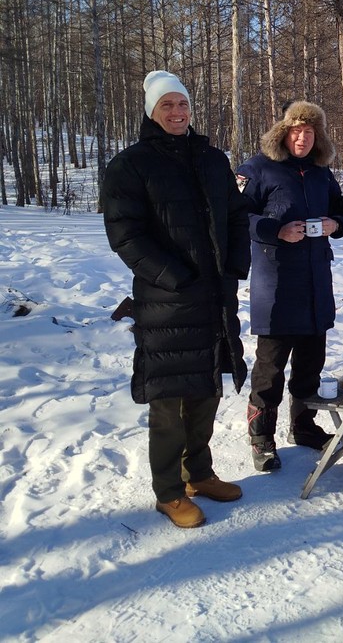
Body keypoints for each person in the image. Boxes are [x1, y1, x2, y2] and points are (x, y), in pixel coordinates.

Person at [102, 70, 251, 529]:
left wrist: (234, 269)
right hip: (167, 301)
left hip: (213, 298)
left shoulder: (211, 159)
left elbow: (237, 217)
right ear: (151, 111)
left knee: (206, 388)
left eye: (182, 104)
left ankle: (198, 474)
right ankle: (168, 492)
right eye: (166, 105)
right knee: (168, 401)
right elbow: (125, 234)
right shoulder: (131, 165)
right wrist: (173, 276)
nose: (176, 112)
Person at [236, 101, 343, 472]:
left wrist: (337, 223)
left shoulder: (321, 172)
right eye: (296, 130)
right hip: (277, 285)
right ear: (283, 132)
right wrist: (276, 231)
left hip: (316, 283)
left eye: (309, 131)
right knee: (270, 369)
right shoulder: (258, 168)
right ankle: (261, 439)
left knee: (310, 364)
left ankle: (303, 426)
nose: (302, 137)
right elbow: (236, 216)